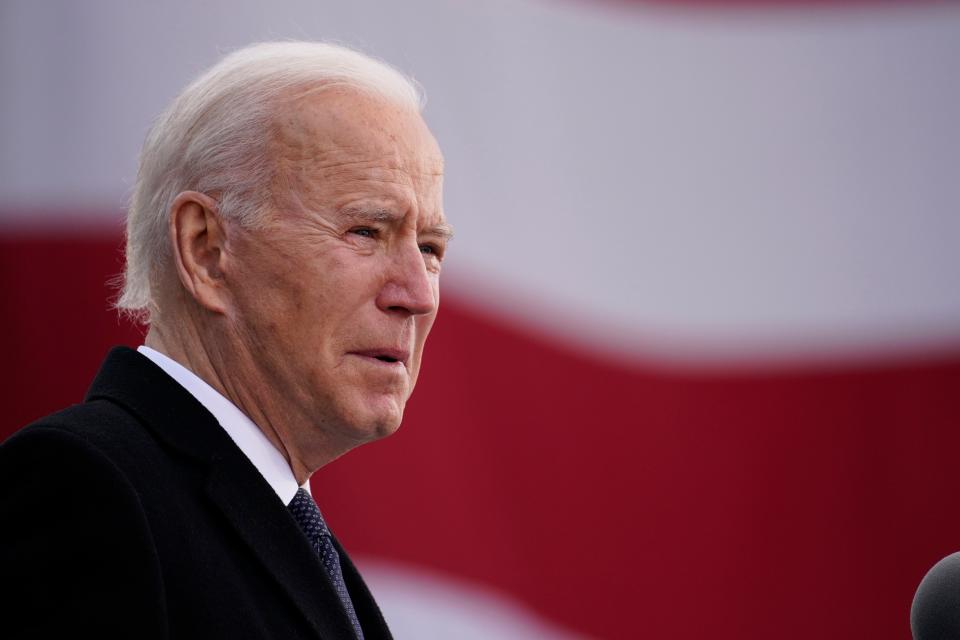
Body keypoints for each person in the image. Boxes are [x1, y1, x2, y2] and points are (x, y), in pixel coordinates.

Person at [0, 41, 451, 639]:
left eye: (430, 249)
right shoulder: (82, 487)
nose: (416, 295)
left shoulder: (301, 543)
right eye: (366, 230)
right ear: (206, 250)